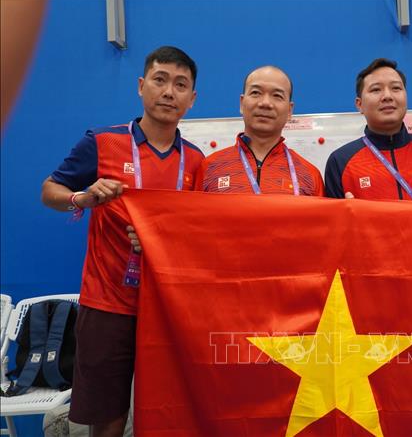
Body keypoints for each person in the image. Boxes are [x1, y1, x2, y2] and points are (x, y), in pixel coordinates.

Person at [41, 46, 204, 437]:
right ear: (141, 85)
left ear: (192, 99)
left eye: (180, 85)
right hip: (108, 303)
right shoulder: (102, 142)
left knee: (168, 411)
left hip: (166, 307)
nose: (169, 92)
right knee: (108, 418)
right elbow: (49, 191)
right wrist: (83, 198)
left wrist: (162, 238)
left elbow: (198, 232)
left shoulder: (197, 161)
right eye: (160, 80)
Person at [324, 58, 412, 202]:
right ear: (359, 104)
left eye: (396, 88)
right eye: (376, 90)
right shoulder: (340, 161)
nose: (387, 96)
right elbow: (333, 217)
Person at [196, 66, 323, 196]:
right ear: (241, 103)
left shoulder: (310, 175)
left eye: (277, 95)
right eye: (256, 93)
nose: (265, 103)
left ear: (290, 110)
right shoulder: (209, 167)